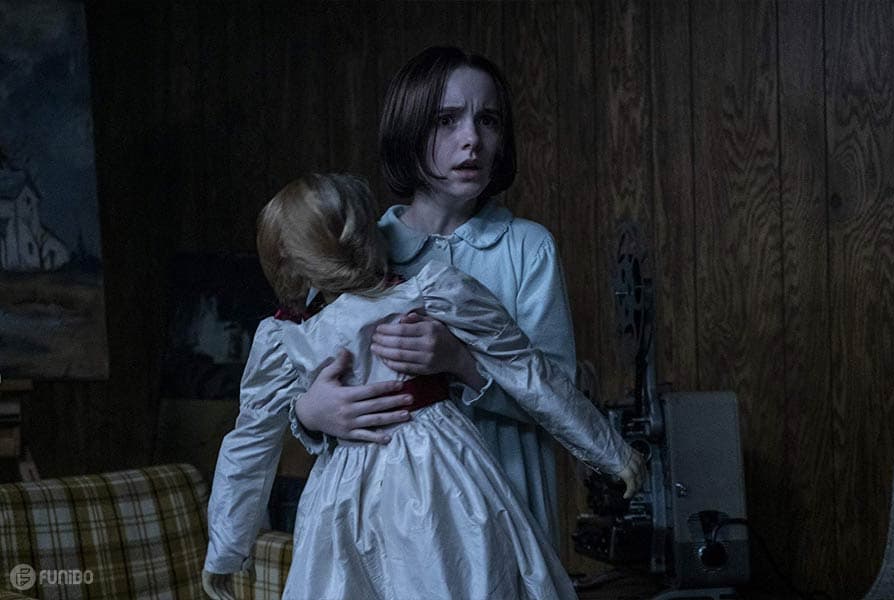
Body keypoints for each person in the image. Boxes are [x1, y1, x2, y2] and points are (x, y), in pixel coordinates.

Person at [202, 173, 645, 599]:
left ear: (293, 262)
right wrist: (610, 450)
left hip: (368, 492)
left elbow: (251, 443)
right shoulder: (429, 292)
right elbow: (526, 369)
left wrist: (226, 549)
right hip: (440, 472)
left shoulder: (293, 338)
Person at [292, 46, 578, 548]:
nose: (472, 139)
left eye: (488, 120)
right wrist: (309, 414)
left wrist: (460, 363)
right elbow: (304, 370)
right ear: (408, 130)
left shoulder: (527, 249)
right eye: (447, 120)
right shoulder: (355, 247)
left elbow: (563, 398)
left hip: (507, 515)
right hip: (388, 526)